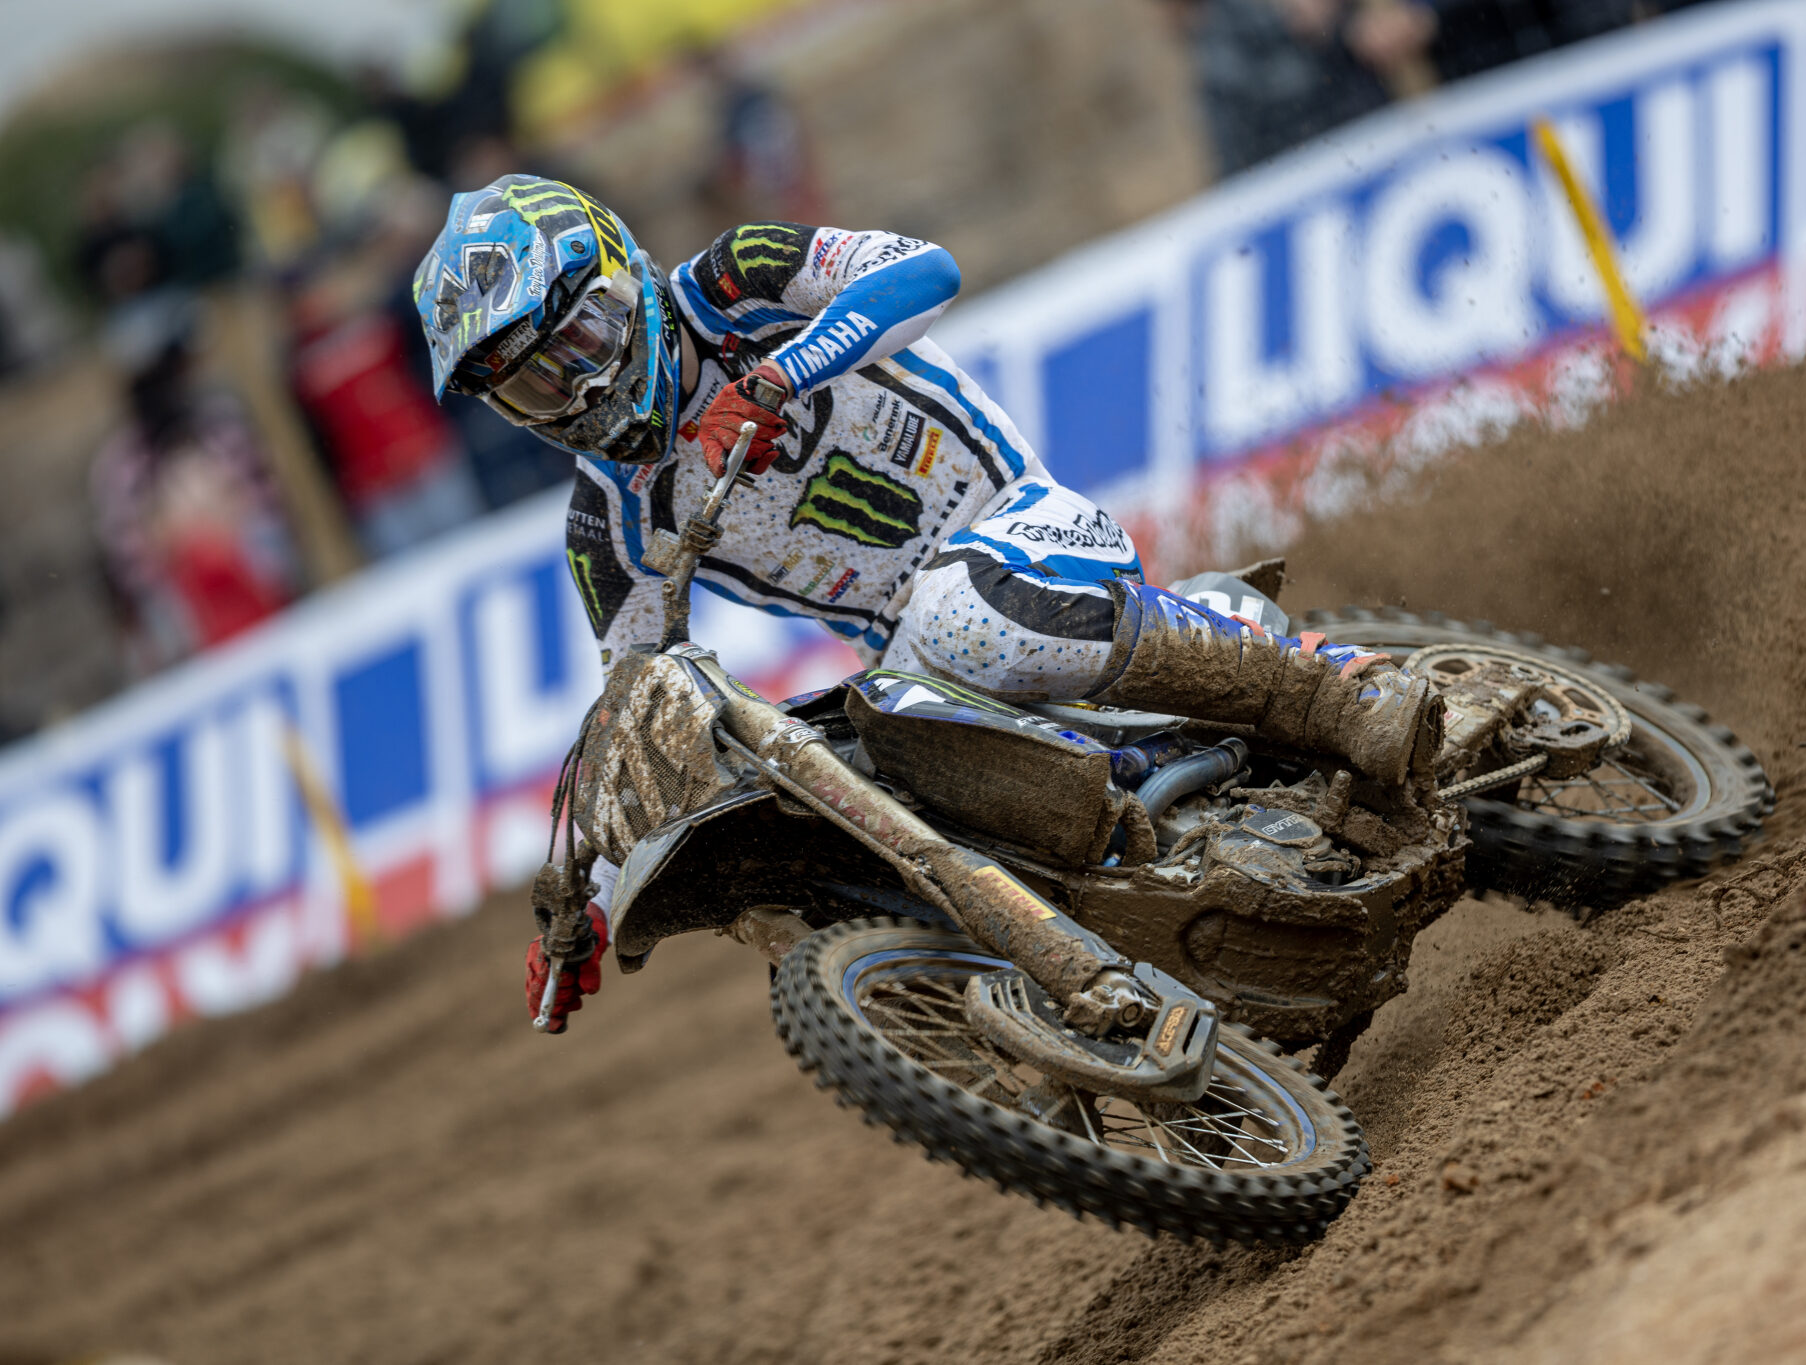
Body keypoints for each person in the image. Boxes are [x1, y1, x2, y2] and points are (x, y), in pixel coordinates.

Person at [413, 175, 1438, 1031]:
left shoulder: (735, 281)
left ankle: (1323, 691)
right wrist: (580, 905)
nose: (577, 391)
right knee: (827, 810)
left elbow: (922, 270)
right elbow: (636, 709)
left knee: (959, 613)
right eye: (534, 388)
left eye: (579, 343)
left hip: (1025, 531)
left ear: (620, 274)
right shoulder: (608, 527)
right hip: (912, 662)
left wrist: (776, 377)